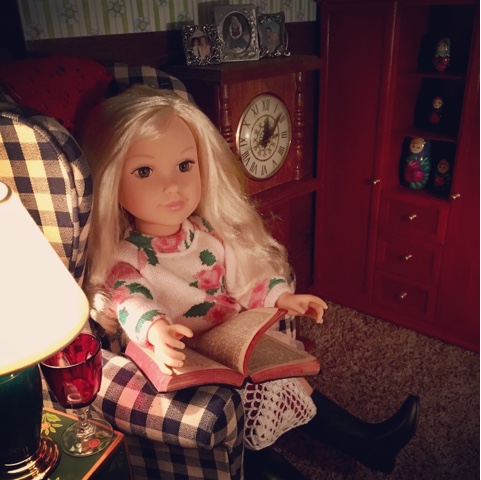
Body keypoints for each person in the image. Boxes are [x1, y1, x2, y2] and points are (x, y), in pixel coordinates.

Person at [80, 84, 420, 479]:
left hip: (230, 343)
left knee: (287, 381)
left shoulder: (204, 232)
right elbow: (130, 298)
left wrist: (282, 298)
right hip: (186, 361)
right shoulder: (128, 256)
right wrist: (156, 329)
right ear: (111, 182)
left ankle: (370, 443)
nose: (172, 186)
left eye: (185, 165)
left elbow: (245, 277)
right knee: (240, 433)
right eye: (144, 172)